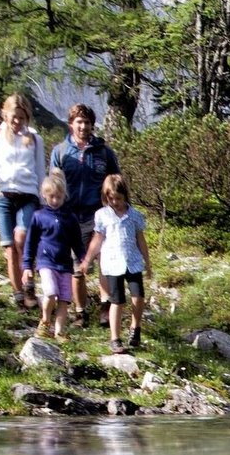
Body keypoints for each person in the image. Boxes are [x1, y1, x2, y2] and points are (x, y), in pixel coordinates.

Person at [0, 94, 47, 309]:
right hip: (3, 195)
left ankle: (29, 284)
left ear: (27, 118)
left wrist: (44, 200)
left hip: (28, 195)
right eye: (14, 117)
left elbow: (40, 170)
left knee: (22, 238)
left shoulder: (34, 138)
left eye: (22, 118)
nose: (17, 122)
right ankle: (18, 294)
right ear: (4, 114)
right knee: (9, 249)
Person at [50, 103, 120, 328]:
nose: (84, 126)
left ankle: (104, 308)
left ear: (92, 125)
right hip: (70, 217)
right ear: (71, 124)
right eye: (79, 122)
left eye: (87, 123)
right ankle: (80, 313)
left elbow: (115, 182)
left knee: (104, 264)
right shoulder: (60, 152)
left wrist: (117, 210)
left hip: (99, 215)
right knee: (77, 267)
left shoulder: (104, 152)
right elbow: (53, 185)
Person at [80, 174, 151, 354]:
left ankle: (135, 327)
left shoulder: (134, 215)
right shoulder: (102, 215)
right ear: (106, 197)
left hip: (133, 261)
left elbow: (140, 239)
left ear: (125, 195)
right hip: (112, 263)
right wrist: (87, 259)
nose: (115, 202)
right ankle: (115, 338)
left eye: (118, 198)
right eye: (111, 198)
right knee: (117, 300)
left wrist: (147, 262)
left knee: (138, 295)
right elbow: (97, 239)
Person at [21, 172, 87, 341]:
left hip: (65, 265)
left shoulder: (70, 218)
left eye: (59, 197)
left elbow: (77, 243)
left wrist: (83, 259)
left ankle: (59, 332)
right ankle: (45, 321)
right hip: (46, 263)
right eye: (51, 197)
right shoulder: (39, 216)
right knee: (50, 293)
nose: (55, 200)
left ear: (64, 196)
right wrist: (27, 266)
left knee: (64, 299)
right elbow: (30, 243)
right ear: (44, 195)